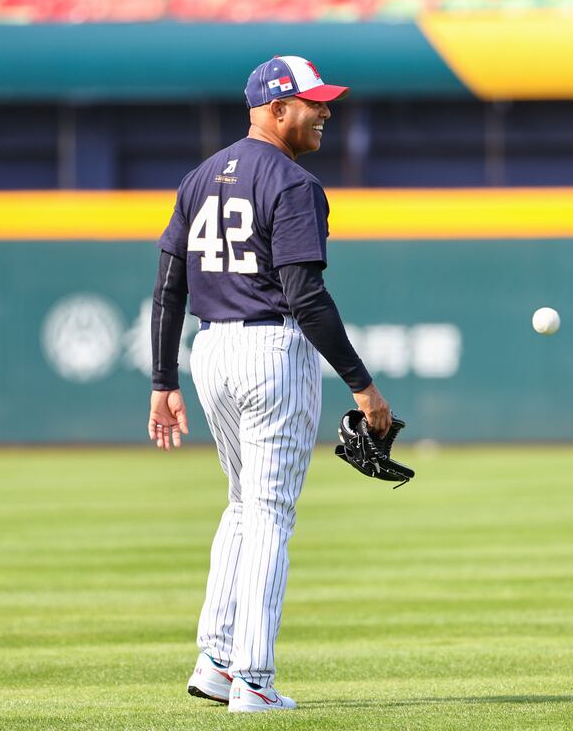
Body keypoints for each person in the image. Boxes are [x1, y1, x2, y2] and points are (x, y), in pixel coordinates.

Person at [147, 55, 392, 713]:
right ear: (277, 109)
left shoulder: (199, 177)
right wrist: (362, 386)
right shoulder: (292, 182)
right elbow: (305, 296)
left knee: (242, 505)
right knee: (270, 514)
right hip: (270, 348)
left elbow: (169, 285)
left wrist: (163, 378)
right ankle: (252, 677)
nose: (326, 111)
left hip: (211, 350)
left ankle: (216, 658)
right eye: (313, 102)